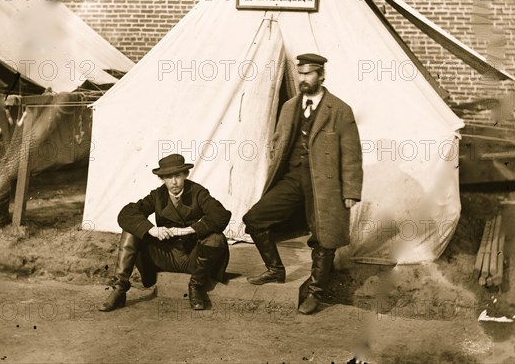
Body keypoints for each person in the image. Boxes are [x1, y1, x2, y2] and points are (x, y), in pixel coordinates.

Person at [242, 53, 363, 315]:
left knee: (324, 236)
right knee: (255, 218)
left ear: (322, 76)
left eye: (309, 74)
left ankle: (316, 293)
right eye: (301, 74)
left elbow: (352, 154)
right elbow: (279, 140)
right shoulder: (289, 106)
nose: (303, 79)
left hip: (325, 184)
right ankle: (275, 269)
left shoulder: (340, 110)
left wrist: (351, 192)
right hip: (293, 178)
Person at [99, 154, 231, 312]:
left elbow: (221, 215)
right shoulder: (157, 195)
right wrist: (152, 229)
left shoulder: (198, 192)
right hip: (167, 255)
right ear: (162, 178)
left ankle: (195, 287)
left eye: (178, 176)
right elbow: (127, 214)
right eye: (168, 177)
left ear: (185, 175)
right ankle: (119, 289)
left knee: (216, 238)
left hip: (194, 257)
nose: (174, 182)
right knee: (131, 229)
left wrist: (189, 229)